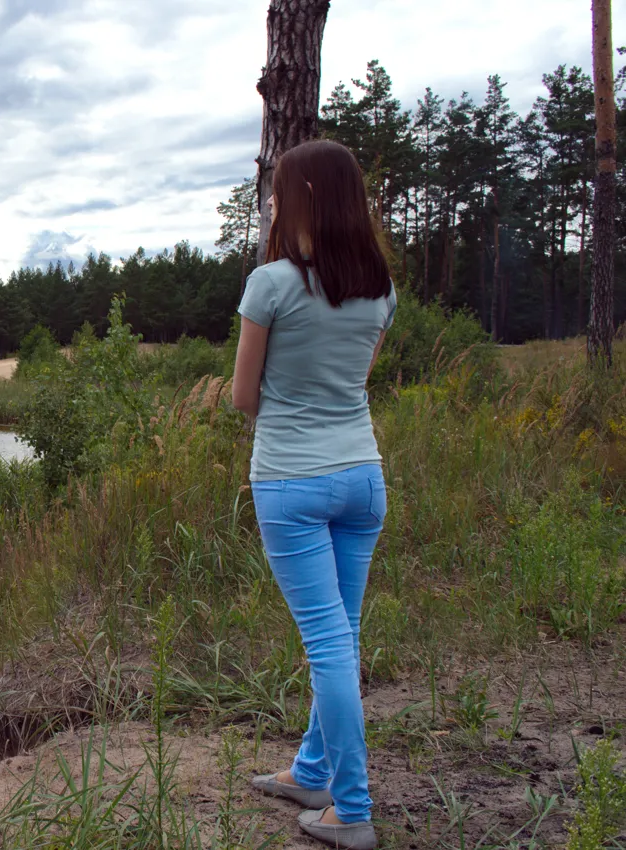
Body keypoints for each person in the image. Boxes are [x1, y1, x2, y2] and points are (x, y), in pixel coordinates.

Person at [231, 138, 396, 850]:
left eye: (279, 188)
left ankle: (351, 811)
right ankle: (311, 770)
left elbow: (243, 398)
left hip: (292, 483)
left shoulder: (270, 284)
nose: (271, 198)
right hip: (362, 477)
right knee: (342, 637)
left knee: (328, 645)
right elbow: (356, 381)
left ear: (301, 198)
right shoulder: (380, 288)